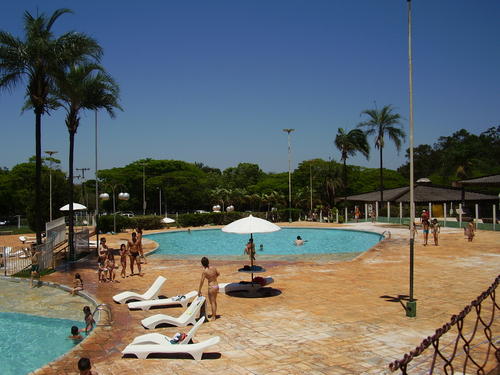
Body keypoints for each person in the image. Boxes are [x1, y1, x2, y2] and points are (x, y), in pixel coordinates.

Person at [197, 257, 220, 321]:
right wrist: (213, 278)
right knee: (214, 301)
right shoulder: (214, 268)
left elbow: (202, 281)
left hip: (211, 287)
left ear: (202, 264)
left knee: (212, 302)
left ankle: (213, 317)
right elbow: (218, 273)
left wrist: (199, 290)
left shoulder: (205, 271)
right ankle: (214, 314)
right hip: (216, 286)